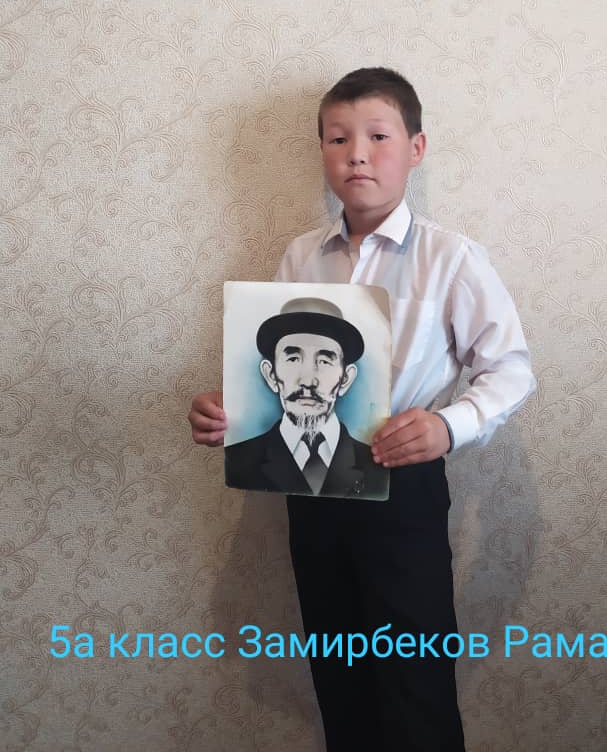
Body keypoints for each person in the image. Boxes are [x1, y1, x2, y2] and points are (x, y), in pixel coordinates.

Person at [188, 66, 536, 752]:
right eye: (338, 138)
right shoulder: (300, 257)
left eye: (378, 136)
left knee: (415, 687)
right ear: (322, 151)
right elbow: (275, 378)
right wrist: (232, 413)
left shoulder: (451, 258)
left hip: (403, 492)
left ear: (416, 148)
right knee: (340, 679)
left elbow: (511, 369)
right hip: (310, 491)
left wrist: (447, 426)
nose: (357, 155)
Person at [224, 296, 388, 499]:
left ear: (345, 379)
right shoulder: (238, 460)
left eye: (325, 361)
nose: (308, 381)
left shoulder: (376, 465)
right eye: (293, 359)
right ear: (271, 375)